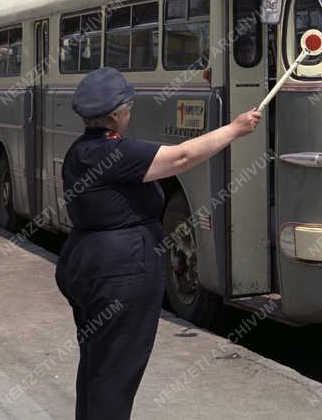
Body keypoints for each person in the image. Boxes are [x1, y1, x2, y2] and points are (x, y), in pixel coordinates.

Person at [55, 67, 261, 420]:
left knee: (98, 365)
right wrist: (236, 128)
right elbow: (182, 157)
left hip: (86, 263)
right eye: (129, 108)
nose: (130, 114)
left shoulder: (81, 151)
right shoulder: (115, 153)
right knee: (116, 372)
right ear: (118, 113)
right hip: (120, 272)